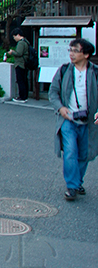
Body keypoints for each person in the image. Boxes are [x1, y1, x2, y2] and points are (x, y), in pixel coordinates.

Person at [49, 38, 98, 201]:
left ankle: (77, 182)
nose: (71, 54)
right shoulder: (64, 70)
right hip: (68, 119)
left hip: (89, 121)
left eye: (75, 51)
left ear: (86, 54)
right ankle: (71, 186)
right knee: (70, 152)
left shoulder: (95, 72)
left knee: (85, 154)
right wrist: (60, 108)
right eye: (70, 50)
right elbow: (53, 92)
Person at [7, 28, 29, 103]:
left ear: (18, 35)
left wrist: (12, 52)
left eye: (14, 36)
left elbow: (19, 53)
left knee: (20, 81)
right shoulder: (26, 41)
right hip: (24, 64)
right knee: (24, 80)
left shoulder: (21, 43)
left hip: (20, 64)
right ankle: (25, 96)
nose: (14, 38)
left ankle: (21, 97)